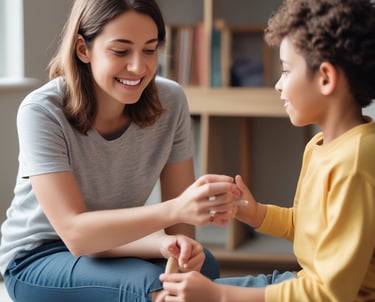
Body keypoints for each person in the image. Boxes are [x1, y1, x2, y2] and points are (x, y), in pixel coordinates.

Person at [0, 0, 241, 301]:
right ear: (82, 49)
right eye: (121, 51)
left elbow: (181, 228)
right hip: (38, 255)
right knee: (151, 286)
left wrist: (172, 245)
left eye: (150, 49)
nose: (139, 67)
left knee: (202, 271)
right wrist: (178, 207)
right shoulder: (42, 111)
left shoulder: (171, 101)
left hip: (116, 244)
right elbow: (76, 235)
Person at [157, 0, 375, 301]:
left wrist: (219, 295)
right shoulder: (321, 145)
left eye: (286, 71)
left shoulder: (355, 162)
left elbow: (329, 293)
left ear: (325, 78)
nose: (278, 85)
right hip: (303, 284)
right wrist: (255, 212)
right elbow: (307, 227)